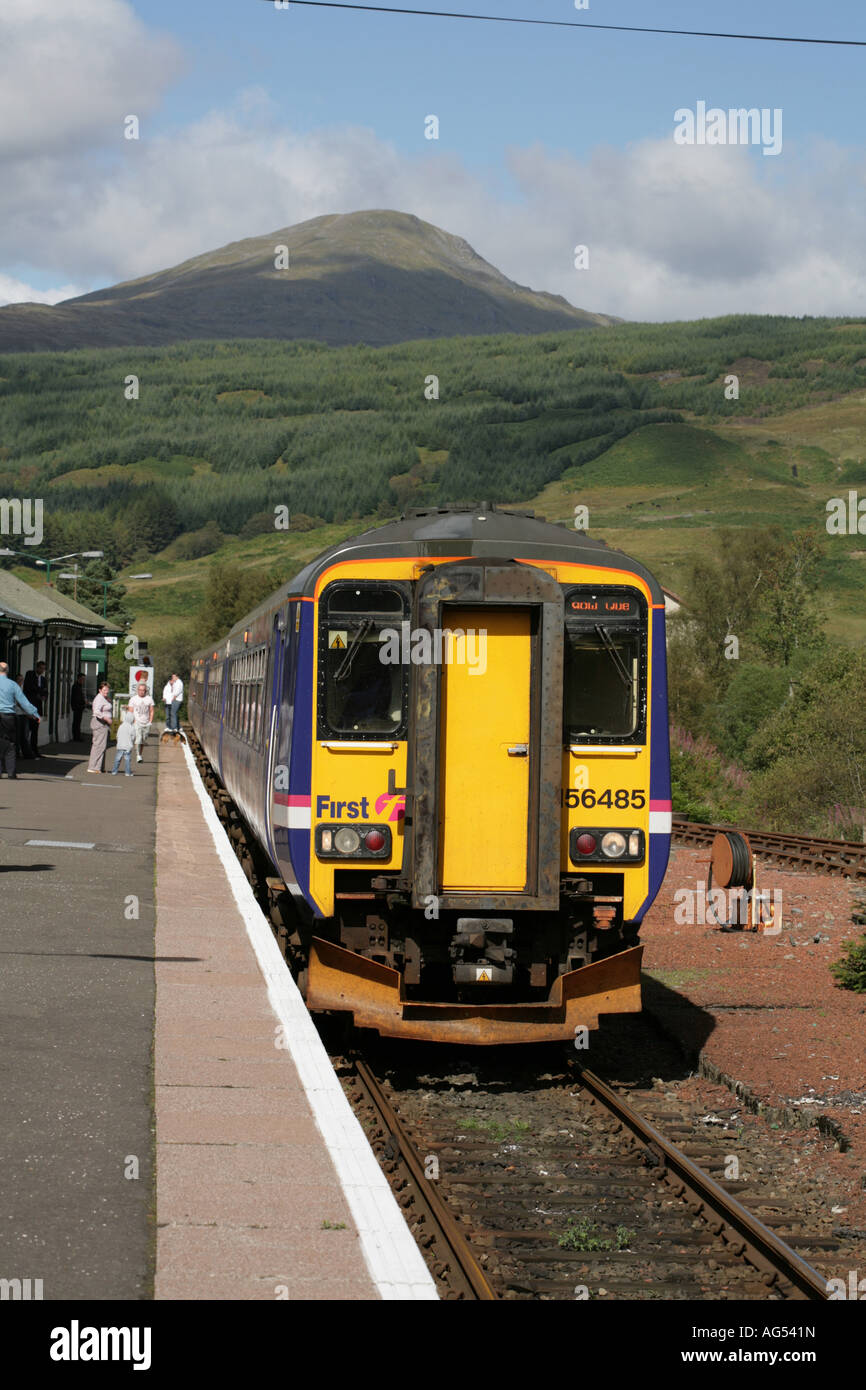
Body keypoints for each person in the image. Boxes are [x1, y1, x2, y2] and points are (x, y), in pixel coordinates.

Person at [0, 660, 39, 778]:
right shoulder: (13, 685)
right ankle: (11, 773)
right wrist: (35, 713)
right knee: (11, 744)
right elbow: (23, 702)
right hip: (8, 716)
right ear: (7, 671)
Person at [23, 660, 47, 757]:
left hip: (38, 708)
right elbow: (30, 687)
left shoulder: (44, 680)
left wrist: (44, 696)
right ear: (37, 668)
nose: (42, 670)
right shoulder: (30, 674)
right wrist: (39, 691)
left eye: (43, 669)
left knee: (35, 730)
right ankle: (26, 750)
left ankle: (35, 750)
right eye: (40, 668)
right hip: (29, 706)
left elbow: (45, 691)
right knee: (26, 729)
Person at [88, 681, 112, 773]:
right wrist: (106, 718)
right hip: (99, 723)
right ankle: (93, 767)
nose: (106, 691)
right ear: (100, 690)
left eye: (107, 690)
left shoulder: (104, 698)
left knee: (102, 746)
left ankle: (99, 767)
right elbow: (96, 711)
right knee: (98, 745)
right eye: (104, 690)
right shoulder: (99, 699)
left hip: (103, 724)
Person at [128, 680, 154, 762]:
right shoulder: (133, 699)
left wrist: (150, 721)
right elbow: (130, 711)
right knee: (138, 739)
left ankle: (140, 754)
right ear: (137, 690)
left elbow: (151, 711)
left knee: (143, 740)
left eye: (143, 690)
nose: (142, 692)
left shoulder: (149, 699)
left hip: (146, 722)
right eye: (140, 690)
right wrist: (133, 721)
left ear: (146, 691)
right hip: (137, 722)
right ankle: (138, 755)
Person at [110, 710, 136, 777]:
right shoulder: (132, 727)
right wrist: (131, 742)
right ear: (132, 719)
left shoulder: (121, 726)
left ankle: (114, 771)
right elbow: (133, 737)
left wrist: (118, 742)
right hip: (127, 746)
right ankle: (127, 772)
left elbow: (117, 736)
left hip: (120, 745)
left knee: (117, 759)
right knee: (127, 760)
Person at [14, 675, 32, 758]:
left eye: (22, 680)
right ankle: (22, 753)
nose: (20, 682)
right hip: (19, 714)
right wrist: (27, 712)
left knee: (22, 735)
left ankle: (23, 752)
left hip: (21, 714)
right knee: (21, 735)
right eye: (19, 680)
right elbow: (19, 703)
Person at [69, 673, 86, 741]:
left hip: (79, 706)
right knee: (76, 722)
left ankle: (77, 736)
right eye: (82, 679)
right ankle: (76, 737)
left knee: (78, 722)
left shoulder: (79, 686)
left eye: (83, 679)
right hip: (77, 706)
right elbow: (76, 698)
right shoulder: (76, 686)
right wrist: (83, 702)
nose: (83, 681)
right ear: (78, 679)